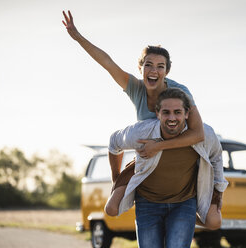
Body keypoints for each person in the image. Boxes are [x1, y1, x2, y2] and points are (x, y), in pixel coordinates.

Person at [62, 10, 220, 229]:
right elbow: (107, 63)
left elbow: (198, 133)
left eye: (160, 66)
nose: (153, 71)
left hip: (179, 159)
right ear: (141, 68)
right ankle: (142, 195)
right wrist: (78, 36)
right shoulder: (136, 89)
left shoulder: (180, 93)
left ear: (166, 71)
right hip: (149, 159)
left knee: (213, 223)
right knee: (111, 208)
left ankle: (193, 210)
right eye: (148, 65)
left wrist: (160, 146)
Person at [108, 88, 228, 248]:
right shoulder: (142, 132)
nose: (172, 118)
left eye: (177, 112)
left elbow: (216, 156)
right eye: (166, 112)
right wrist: (116, 179)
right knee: (110, 209)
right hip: (147, 202)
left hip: (184, 202)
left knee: (211, 223)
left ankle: (190, 217)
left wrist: (218, 190)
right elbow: (114, 142)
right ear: (158, 113)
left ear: (187, 113)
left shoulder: (205, 134)